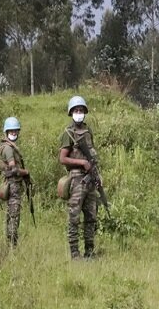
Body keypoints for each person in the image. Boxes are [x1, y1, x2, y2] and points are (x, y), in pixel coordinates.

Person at [58, 96, 98, 260]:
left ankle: (89, 251)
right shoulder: (68, 133)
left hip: (90, 178)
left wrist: (96, 174)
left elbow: (92, 155)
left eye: (81, 111)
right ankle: (75, 253)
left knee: (91, 217)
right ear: (71, 113)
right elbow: (62, 158)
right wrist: (81, 162)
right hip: (76, 179)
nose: (79, 113)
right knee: (74, 217)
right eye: (76, 111)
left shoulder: (88, 132)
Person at [0, 117, 30, 246]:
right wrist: (26, 172)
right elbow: (13, 168)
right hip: (13, 184)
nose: (14, 133)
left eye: (16, 131)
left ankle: (10, 241)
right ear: (6, 132)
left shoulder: (4, 146)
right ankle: (12, 244)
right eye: (11, 131)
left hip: (9, 183)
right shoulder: (9, 148)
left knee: (11, 213)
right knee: (14, 214)